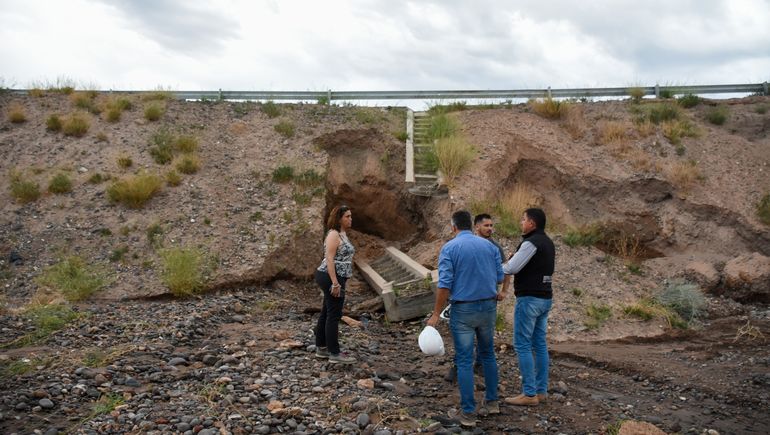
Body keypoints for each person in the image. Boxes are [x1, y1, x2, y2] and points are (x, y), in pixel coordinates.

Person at [427, 210, 504, 427]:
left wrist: (436, 314)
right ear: (471, 225)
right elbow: (500, 277)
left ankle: (468, 413)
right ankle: (492, 402)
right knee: (488, 354)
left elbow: (444, 285)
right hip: (488, 307)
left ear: (453, 227)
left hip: (463, 310)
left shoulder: (450, 248)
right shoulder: (490, 246)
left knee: (464, 360)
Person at [444, 213, 509, 382]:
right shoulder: (467, 245)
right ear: (476, 227)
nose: (490, 228)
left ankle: (476, 366)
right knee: (468, 342)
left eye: (491, 225)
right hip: (469, 300)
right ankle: (459, 366)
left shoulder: (494, 246)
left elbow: (506, 270)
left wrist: (504, 291)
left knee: (480, 341)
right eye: (486, 225)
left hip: (484, 300)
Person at [500, 208, 555, 406]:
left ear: (532, 223)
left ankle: (529, 394)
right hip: (545, 298)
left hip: (529, 299)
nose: (521, 223)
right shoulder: (548, 242)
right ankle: (541, 391)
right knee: (539, 344)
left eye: (523, 219)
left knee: (522, 344)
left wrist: (497, 266)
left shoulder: (531, 243)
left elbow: (511, 268)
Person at [314, 205, 356, 364]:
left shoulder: (342, 234)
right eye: (347, 216)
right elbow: (329, 259)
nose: (350, 219)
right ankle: (334, 353)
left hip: (337, 277)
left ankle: (321, 347)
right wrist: (335, 283)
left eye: (350, 216)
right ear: (339, 218)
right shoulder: (333, 234)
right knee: (334, 315)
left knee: (327, 311)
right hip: (330, 276)